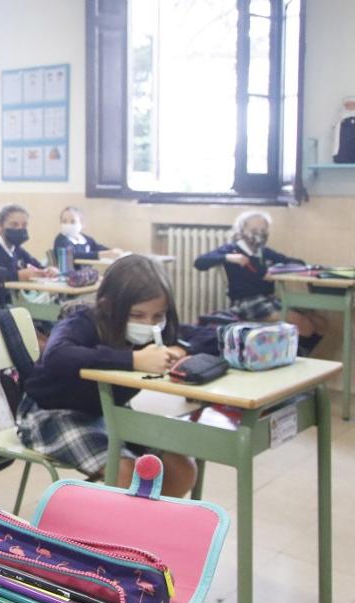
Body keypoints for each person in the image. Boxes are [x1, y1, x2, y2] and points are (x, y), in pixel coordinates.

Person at [18, 254, 196, 496]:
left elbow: (204, 336)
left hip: (110, 411)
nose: (149, 323)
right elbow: (57, 355)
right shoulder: (82, 321)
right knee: (127, 473)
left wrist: (180, 349)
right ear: (109, 306)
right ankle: (126, 527)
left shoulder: (158, 328)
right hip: (52, 413)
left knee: (182, 469)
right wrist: (133, 360)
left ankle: (147, 524)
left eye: (157, 316)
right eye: (137, 315)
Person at [194, 211, 325, 353]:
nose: (259, 234)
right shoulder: (232, 249)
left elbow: (291, 261)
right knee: (303, 326)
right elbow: (200, 262)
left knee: (320, 323)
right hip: (246, 303)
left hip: (269, 299)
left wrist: (280, 268)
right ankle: (295, 356)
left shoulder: (263, 252)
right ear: (242, 230)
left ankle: (297, 354)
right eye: (254, 230)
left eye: (263, 230)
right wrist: (228, 257)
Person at [0, 203, 57, 314]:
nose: (20, 229)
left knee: (52, 313)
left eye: (24, 225)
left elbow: (37, 265)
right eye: (14, 225)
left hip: (11, 303)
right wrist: (18, 276)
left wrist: (48, 270)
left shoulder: (16, 249)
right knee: (45, 316)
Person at [52, 206, 122, 266]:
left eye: (73, 221)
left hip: (87, 275)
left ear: (82, 224)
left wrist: (111, 251)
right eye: (64, 221)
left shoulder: (85, 239)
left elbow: (97, 247)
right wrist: (99, 254)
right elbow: (73, 255)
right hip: (69, 277)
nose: (68, 224)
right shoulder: (61, 240)